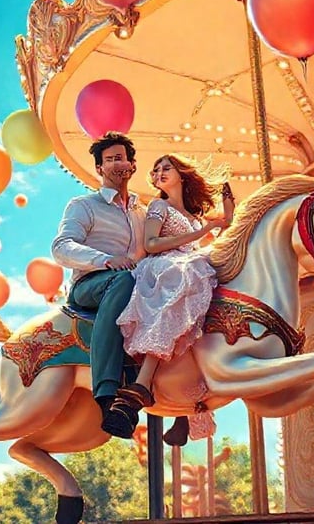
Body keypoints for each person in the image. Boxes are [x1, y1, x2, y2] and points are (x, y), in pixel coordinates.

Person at [107, 154, 235, 438]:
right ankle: (142, 381)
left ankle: (193, 385)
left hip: (189, 264)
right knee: (185, 278)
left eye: (167, 167)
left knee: (214, 282)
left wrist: (226, 198)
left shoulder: (194, 216)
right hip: (165, 266)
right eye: (156, 169)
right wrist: (200, 233)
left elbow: (227, 226)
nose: (160, 172)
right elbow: (151, 244)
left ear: (181, 174)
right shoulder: (158, 206)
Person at [51, 132, 147, 438]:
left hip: (135, 285)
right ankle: (107, 393)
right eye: (111, 159)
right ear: (99, 168)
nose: (118, 163)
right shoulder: (84, 205)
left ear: (132, 165)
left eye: (123, 158)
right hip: (91, 285)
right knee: (124, 279)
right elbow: (61, 246)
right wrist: (105, 259)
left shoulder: (142, 213)